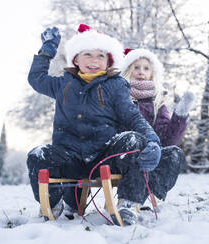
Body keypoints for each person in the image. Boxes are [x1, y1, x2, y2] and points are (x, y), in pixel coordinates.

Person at [27, 24, 163, 226]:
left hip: (104, 156)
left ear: (108, 61)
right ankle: (53, 203)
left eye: (100, 56)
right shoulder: (63, 84)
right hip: (69, 157)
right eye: (87, 54)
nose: (94, 61)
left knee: (134, 139)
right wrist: (47, 51)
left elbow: (133, 117)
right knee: (38, 155)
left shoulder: (115, 85)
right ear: (76, 59)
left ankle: (127, 203)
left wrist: (153, 140)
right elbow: (36, 79)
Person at [121, 48, 195, 201]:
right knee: (135, 145)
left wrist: (180, 116)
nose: (141, 72)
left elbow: (167, 140)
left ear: (152, 73)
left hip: (152, 153)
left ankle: (149, 194)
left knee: (175, 153)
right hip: (125, 154)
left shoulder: (157, 103)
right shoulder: (120, 97)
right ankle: (132, 198)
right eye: (136, 67)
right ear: (128, 70)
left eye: (146, 68)